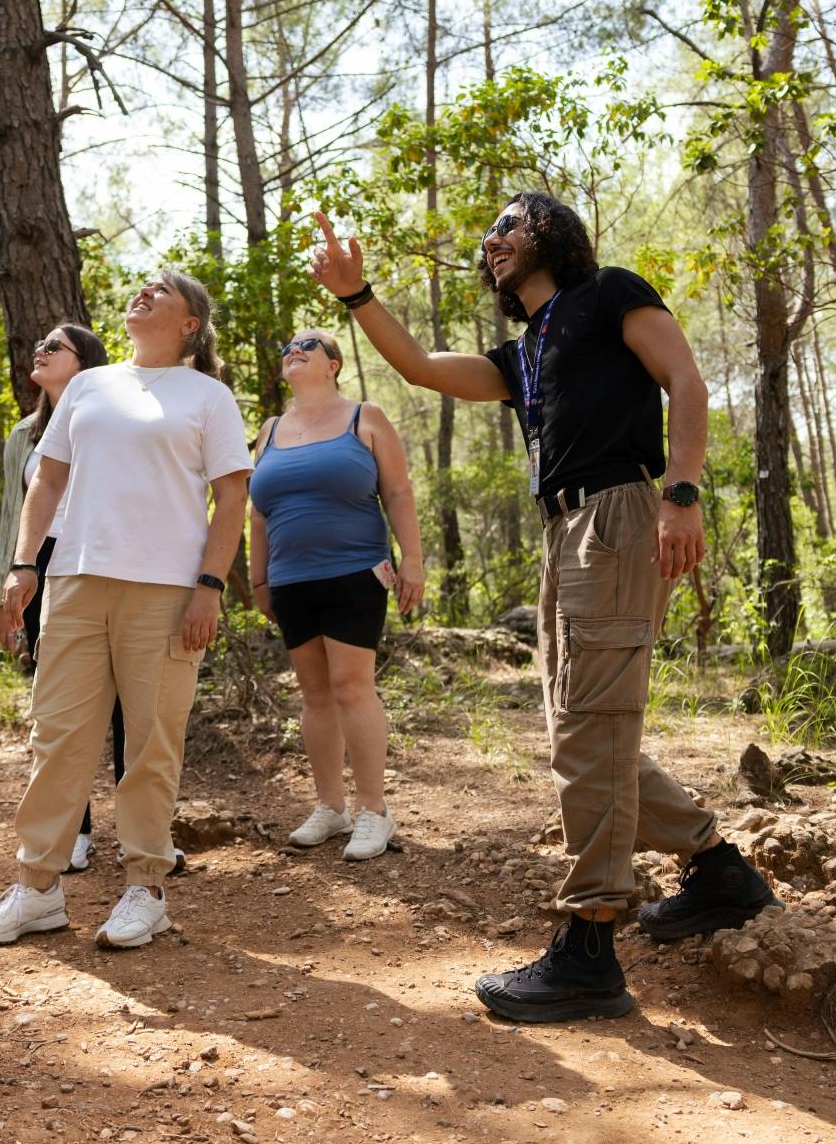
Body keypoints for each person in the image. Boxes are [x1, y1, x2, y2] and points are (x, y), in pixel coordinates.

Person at [309, 195, 779, 1024]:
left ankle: (591, 947)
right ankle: (720, 871)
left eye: (508, 225)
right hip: (562, 530)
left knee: (589, 731)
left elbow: (686, 380)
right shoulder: (523, 351)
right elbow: (419, 367)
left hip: (619, 512)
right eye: (487, 232)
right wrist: (357, 296)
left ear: (552, 236)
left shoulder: (610, 295)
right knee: (586, 732)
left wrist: (683, 492)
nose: (492, 240)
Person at [0, 272, 250, 950]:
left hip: (165, 589)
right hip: (73, 580)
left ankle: (145, 887)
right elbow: (48, 479)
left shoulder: (208, 396)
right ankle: (37, 887)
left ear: (191, 323)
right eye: (142, 286)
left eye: (163, 289)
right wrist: (23, 563)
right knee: (57, 736)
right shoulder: (91, 386)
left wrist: (209, 586)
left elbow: (232, 498)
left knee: (152, 740)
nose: (144, 292)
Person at [247, 328, 423, 861]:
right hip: (290, 578)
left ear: (334, 364)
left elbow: (397, 490)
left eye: (307, 346)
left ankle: (374, 811)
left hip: (355, 572)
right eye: (287, 348)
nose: (293, 351)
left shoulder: (364, 418)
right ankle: (331, 807)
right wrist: (258, 580)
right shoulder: (270, 430)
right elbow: (258, 512)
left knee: (350, 687)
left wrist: (412, 560)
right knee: (315, 694)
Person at [0, 323, 120, 872]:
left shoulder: (114, 420)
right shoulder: (23, 433)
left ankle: (146, 832)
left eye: (54, 347)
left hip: (108, 561)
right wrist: (9, 585)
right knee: (60, 706)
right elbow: (13, 514)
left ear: (85, 361)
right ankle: (74, 830)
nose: (39, 351)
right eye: (38, 344)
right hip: (43, 565)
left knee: (128, 706)